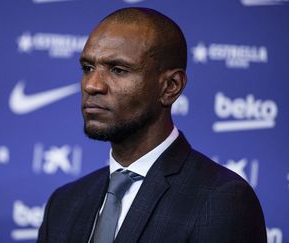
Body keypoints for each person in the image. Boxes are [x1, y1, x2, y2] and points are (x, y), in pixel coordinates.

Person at [38, 7, 266, 243]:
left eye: (118, 70)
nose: (92, 85)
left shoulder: (220, 200)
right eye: (88, 68)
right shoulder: (64, 204)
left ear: (170, 87)